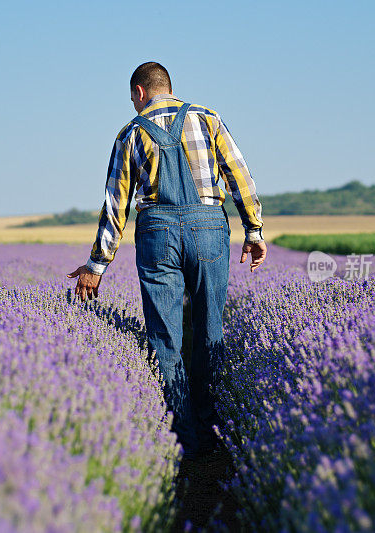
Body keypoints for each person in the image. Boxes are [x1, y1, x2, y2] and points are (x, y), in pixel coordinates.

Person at [67, 61, 267, 460]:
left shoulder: (129, 133)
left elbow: (115, 204)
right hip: (210, 228)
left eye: (131, 98)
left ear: (140, 92)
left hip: (157, 232)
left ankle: (183, 441)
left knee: (165, 337)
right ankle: (213, 434)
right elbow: (239, 175)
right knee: (210, 329)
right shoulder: (207, 118)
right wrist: (254, 230)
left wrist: (96, 265)